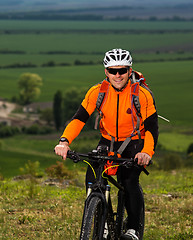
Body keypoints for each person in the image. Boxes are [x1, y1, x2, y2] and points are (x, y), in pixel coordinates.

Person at [54, 48, 158, 240]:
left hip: (134, 142)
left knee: (129, 181)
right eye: (113, 71)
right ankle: (102, 222)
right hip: (108, 141)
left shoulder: (141, 94)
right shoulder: (97, 92)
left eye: (122, 70)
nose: (117, 75)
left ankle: (133, 229)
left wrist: (146, 152)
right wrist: (64, 141)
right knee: (93, 176)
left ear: (129, 71)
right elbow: (79, 119)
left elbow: (151, 128)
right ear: (106, 72)